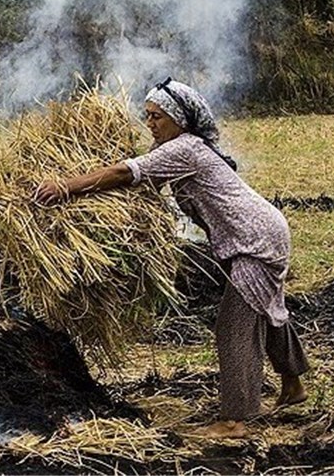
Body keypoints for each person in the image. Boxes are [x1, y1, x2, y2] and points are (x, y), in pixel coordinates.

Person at [34, 77, 309, 439]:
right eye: (146, 116)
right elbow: (142, 181)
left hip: (254, 240)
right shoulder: (179, 147)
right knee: (266, 308)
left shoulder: (185, 148)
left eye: (157, 117)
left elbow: (124, 173)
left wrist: (64, 187)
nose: (150, 123)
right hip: (253, 235)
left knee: (234, 324)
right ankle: (293, 387)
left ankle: (235, 420)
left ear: (180, 119)